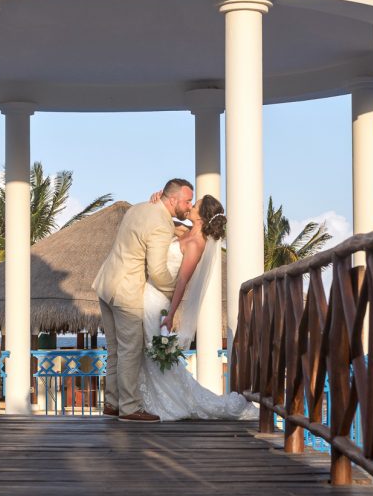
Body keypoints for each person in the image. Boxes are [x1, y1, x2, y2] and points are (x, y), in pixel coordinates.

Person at [139, 194, 257, 422]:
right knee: (149, 353)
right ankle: (149, 400)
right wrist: (156, 204)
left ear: (202, 217)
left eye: (196, 205)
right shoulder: (186, 232)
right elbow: (162, 222)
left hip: (160, 302)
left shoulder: (196, 244)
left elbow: (182, 281)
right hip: (151, 295)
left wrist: (171, 314)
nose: (191, 206)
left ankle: (165, 402)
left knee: (152, 353)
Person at [92, 178, 192, 422]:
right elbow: (157, 271)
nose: (190, 206)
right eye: (188, 201)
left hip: (106, 284)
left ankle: (112, 404)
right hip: (126, 292)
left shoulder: (139, 208)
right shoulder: (161, 224)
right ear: (172, 199)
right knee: (130, 351)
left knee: (115, 351)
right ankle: (129, 408)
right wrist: (172, 293)